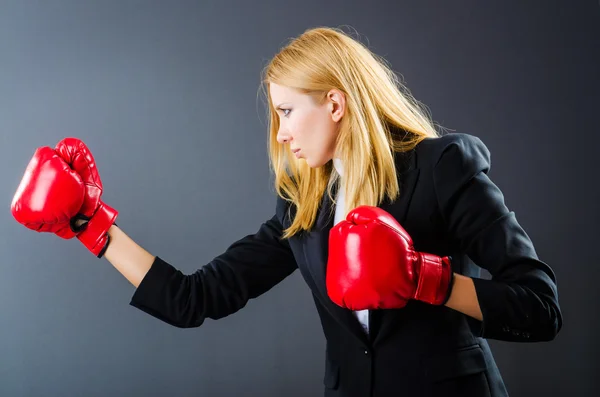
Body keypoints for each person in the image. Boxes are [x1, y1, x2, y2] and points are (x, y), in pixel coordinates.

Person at [10, 26, 562, 397]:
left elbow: (540, 308)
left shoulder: (441, 168)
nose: (281, 132)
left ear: (336, 103)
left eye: (288, 111)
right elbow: (195, 298)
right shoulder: (304, 205)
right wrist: (91, 223)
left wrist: (427, 279)